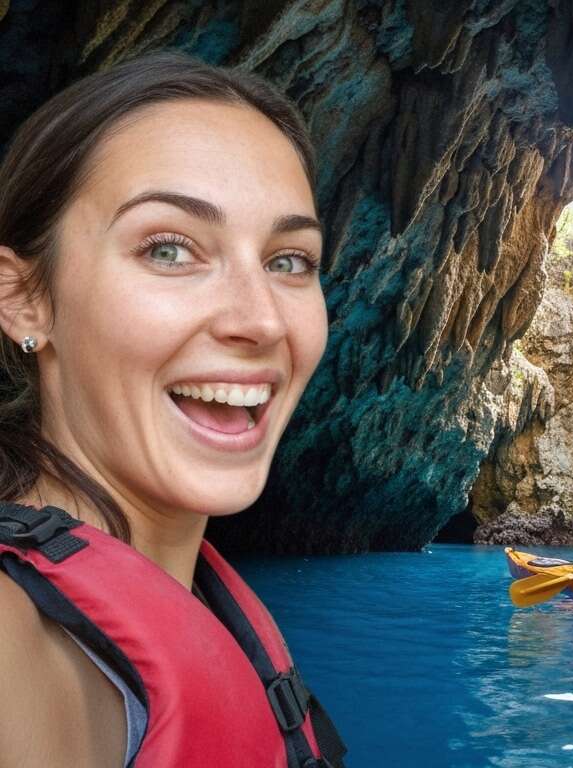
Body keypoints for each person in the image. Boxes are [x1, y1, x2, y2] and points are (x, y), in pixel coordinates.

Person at [0, 52, 345, 767]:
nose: (260, 321)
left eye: (289, 261)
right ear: (23, 297)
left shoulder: (204, 601)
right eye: (168, 250)